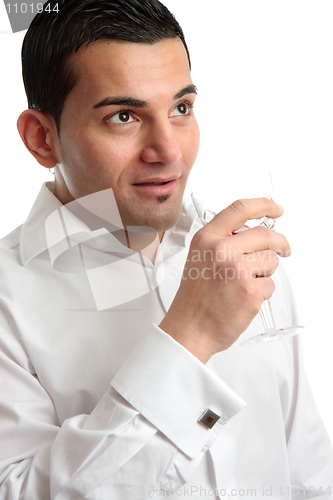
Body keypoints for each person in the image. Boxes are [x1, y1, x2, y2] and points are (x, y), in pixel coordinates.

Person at [0, 0, 332, 498]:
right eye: (123, 116)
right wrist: (189, 338)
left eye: (181, 109)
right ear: (42, 138)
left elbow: (306, 468)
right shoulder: (7, 300)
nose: (169, 151)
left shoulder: (238, 255)